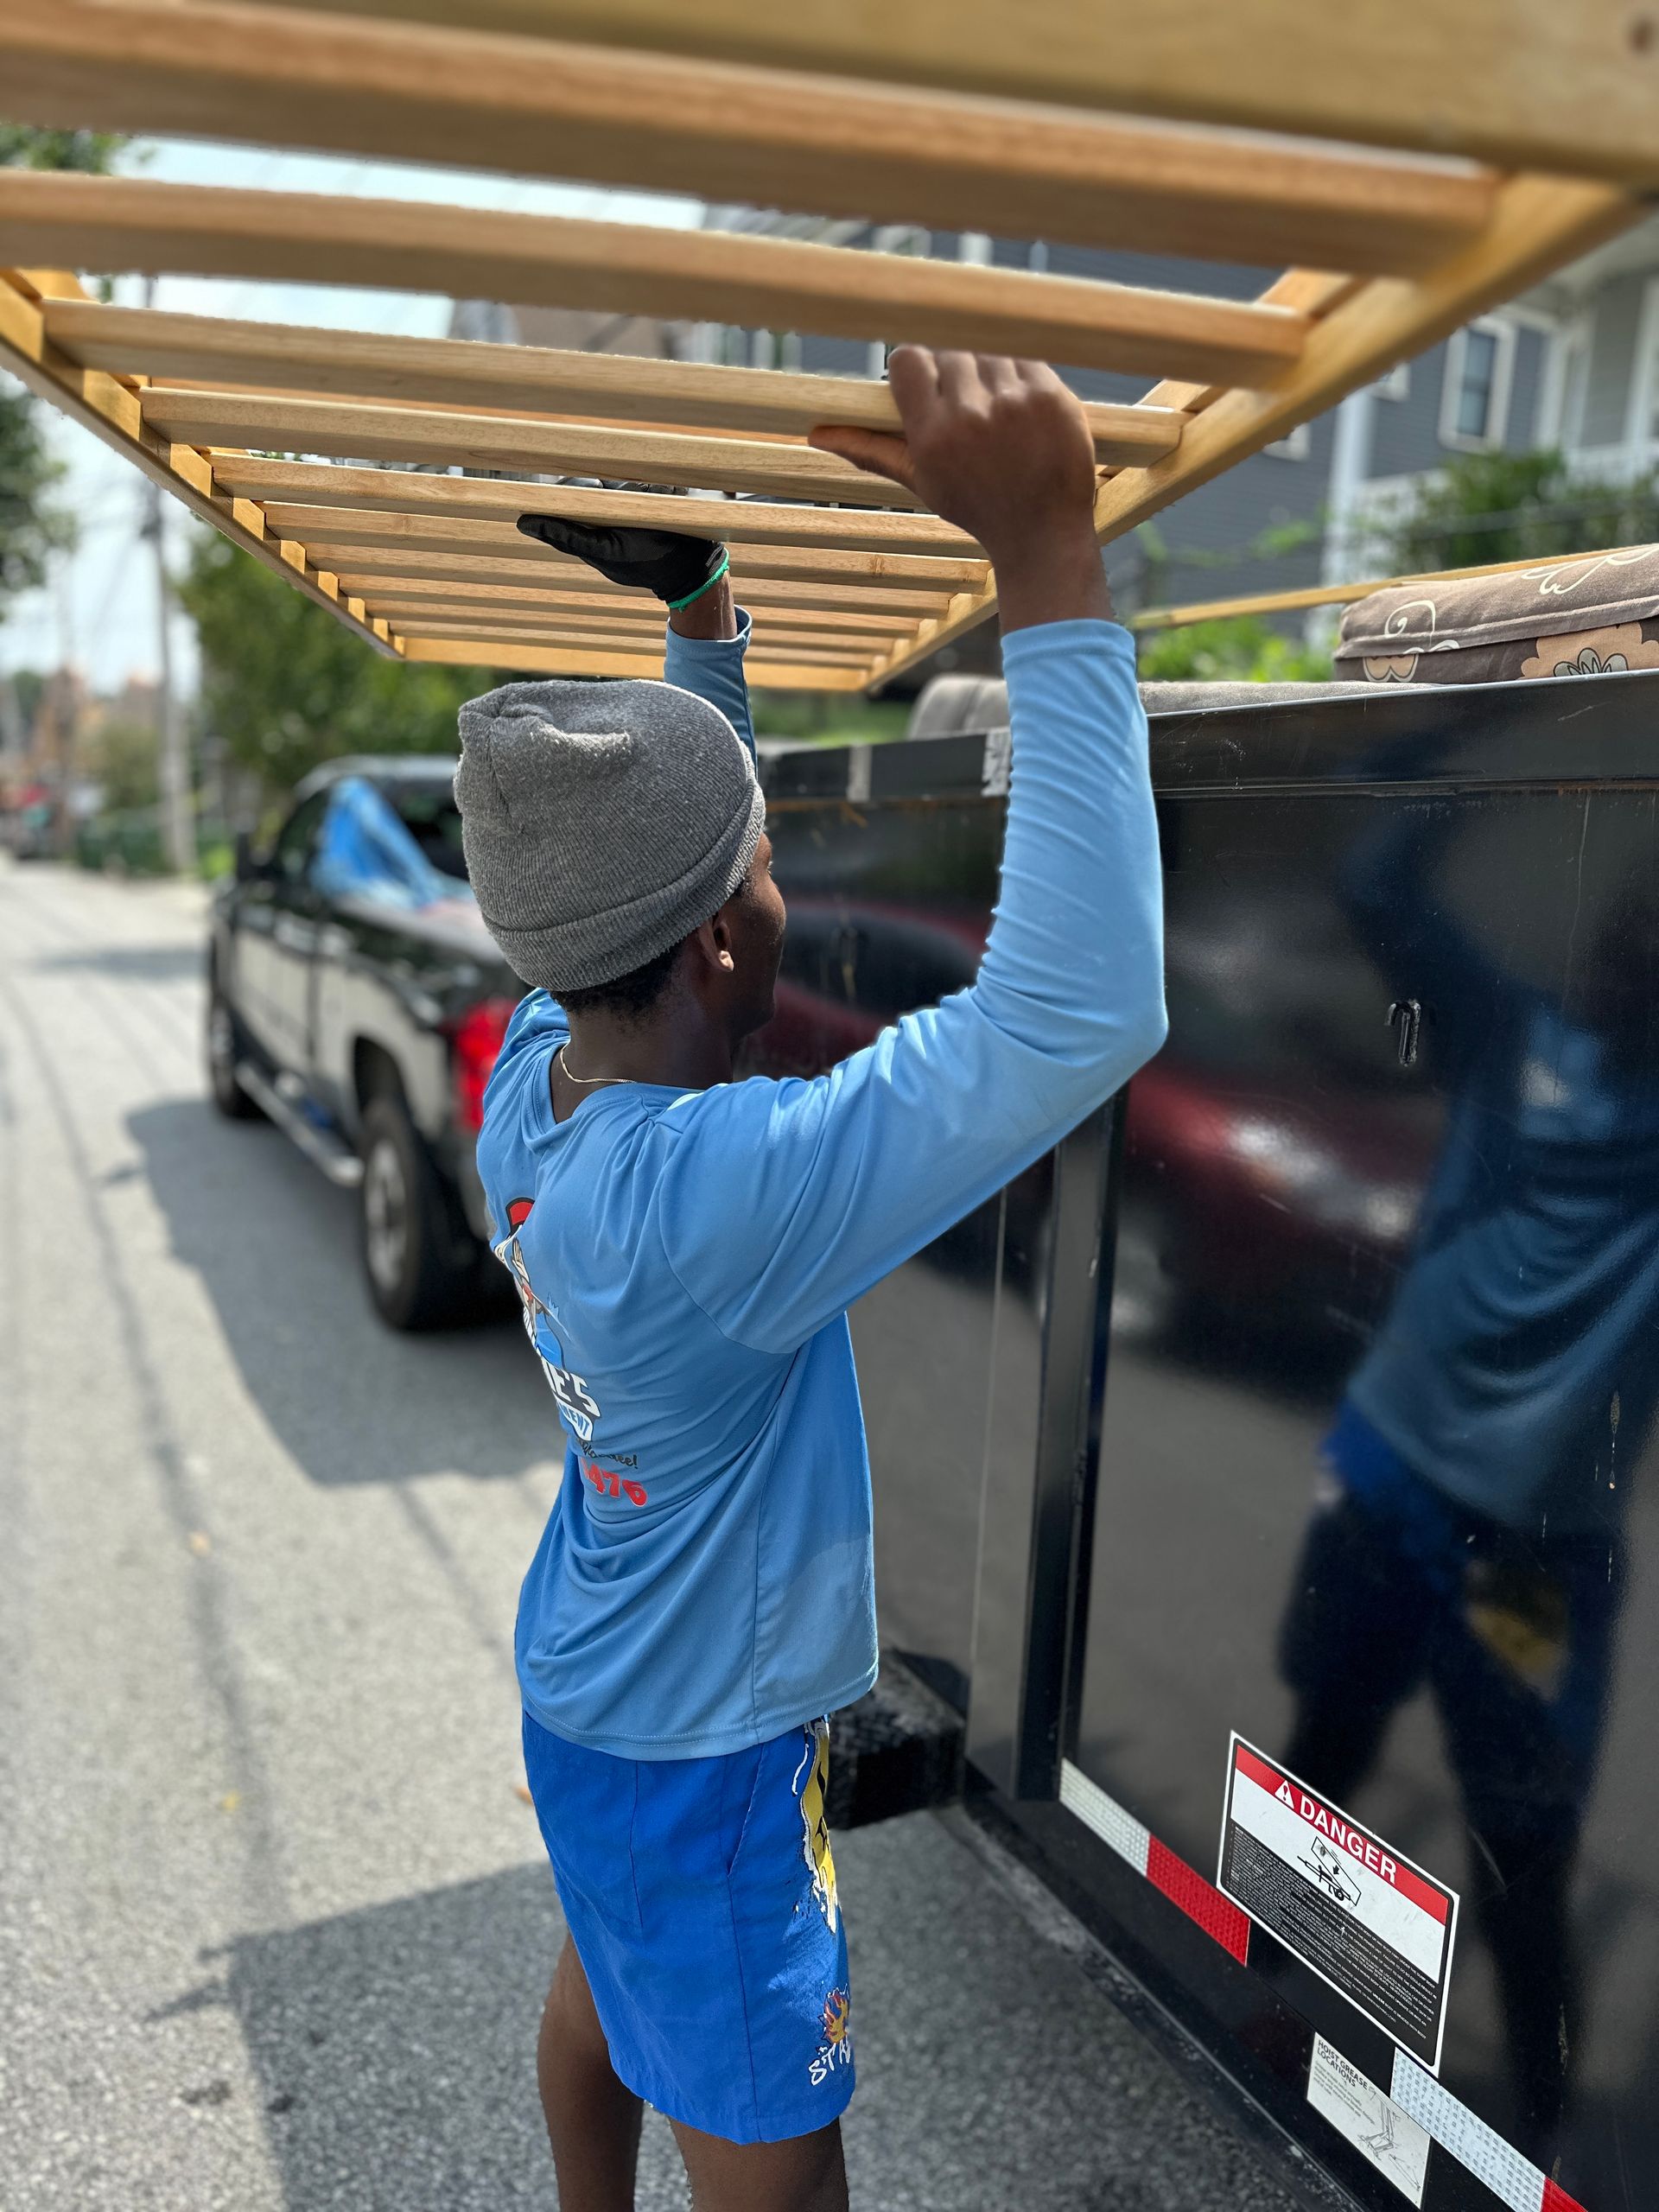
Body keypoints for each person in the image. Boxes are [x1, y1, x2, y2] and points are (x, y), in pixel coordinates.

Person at [453, 347, 1167, 2212]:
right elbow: (1078, 1005)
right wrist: (1047, 562)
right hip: (698, 1741)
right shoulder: (718, 1191)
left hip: (596, 1690)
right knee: (765, 2119)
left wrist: (705, 623)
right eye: (767, 857)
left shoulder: (541, 1079)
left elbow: (656, 848)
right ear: (717, 933)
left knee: (613, 1981)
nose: (783, 871)